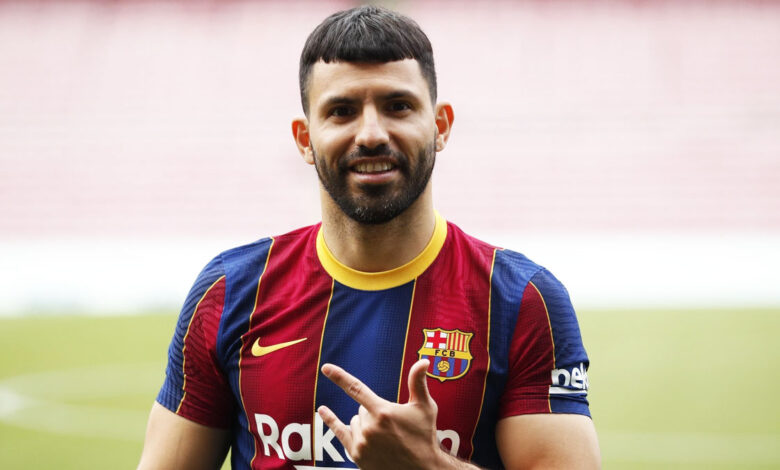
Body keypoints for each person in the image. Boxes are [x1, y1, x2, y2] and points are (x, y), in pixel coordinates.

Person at [138, 5, 600, 470]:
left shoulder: (521, 301)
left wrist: (429, 465)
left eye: (398, 106)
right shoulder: (230, 292)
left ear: (440, 126)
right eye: (342, 111)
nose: (372, 134)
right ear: (305, 139)